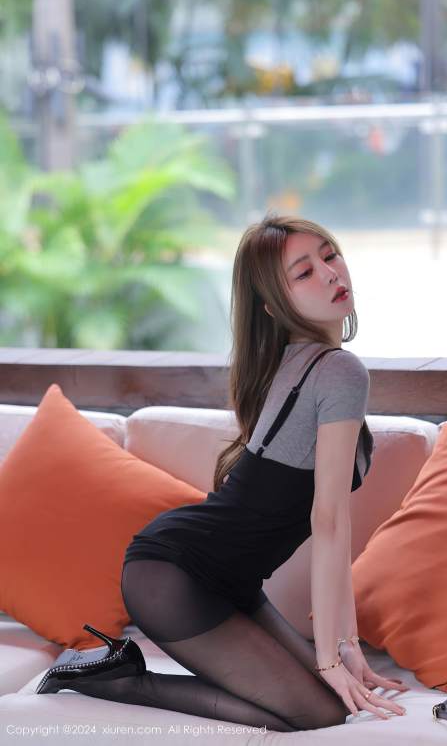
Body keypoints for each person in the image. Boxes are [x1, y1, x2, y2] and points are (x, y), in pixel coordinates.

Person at [36, 213, 409, 731]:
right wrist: (327, 657)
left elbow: (331, 527)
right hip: (174, 577)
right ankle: (115, 679)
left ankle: (121, 674)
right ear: (273, 305)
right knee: (318, 711)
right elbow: (328, 522)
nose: (330, 274)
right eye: (304, 272)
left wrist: (346, 648)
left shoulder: (307, 362)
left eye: (329, 256)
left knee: (333, 701)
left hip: (227, 582)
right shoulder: (337, 370)